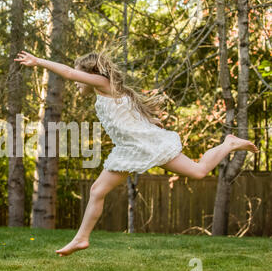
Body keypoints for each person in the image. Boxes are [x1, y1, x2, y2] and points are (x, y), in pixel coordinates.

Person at [14, 50, 259, 257]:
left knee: (198, 172)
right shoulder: (113, 92)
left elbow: (68, 72)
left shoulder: (103, 84)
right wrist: (151, 123)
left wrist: (39, 62)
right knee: (98, 190)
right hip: (132, 149)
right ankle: (81, 238)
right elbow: (132, 117)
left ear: (91, 75)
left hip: (145, 147)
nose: (77, 82)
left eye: (81, 77)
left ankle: (228, 144)